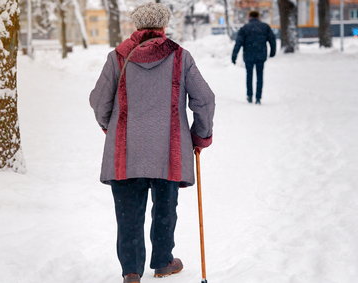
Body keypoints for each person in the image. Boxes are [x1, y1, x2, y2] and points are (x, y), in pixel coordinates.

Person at [89, 3, 215, 283]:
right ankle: (163, 262)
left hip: (126, 152)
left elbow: (99, 100)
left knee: (128, 214)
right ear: (163, 26)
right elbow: (204, 99)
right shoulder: (181, 57)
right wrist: (200, 135)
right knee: (165, 208)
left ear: (136, 26)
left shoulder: (117, 57)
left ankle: (132, 272)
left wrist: (107, 125)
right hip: (167, 151)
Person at [231, 10, 276, 105]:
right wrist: (272, 52)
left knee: (249, 76)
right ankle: (258, 98)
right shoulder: (265, 27)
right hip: (261, 55)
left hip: (248, 56)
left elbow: (238, 43)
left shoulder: (245, 28)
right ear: (258, 17)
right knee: (260, 76)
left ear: (249, 17)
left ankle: (249, 95)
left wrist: (234, 56)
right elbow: (272, 40)